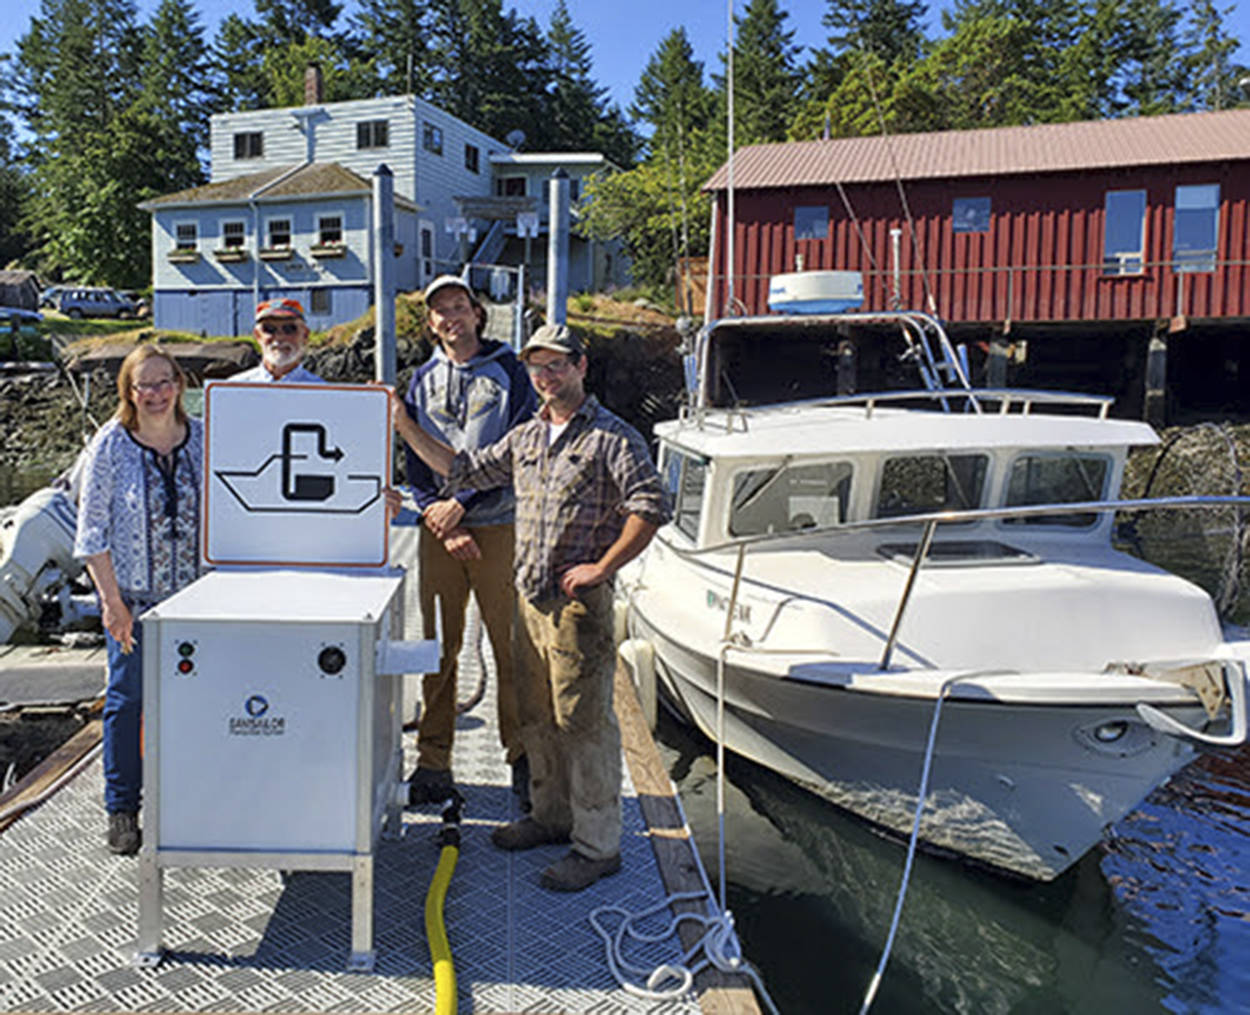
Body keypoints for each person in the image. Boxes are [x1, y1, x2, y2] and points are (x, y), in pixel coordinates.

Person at [394, 323, 670, 891]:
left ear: (581, 366)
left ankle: (597, 846)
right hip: (529, 599)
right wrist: (401, 422)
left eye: (557, 365)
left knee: (584, 724)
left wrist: (603, 567)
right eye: (537, 368)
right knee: (537, 715)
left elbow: (648, 507)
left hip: (577, 607)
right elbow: (462, 469)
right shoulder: (526, 437)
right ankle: (549, 816)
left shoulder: (614, 438)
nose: (546, 377)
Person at [401, 275, 537, 801]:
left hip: (498, 525)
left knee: (511, 648)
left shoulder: (511, 372)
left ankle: (523, 758)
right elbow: (413, 458)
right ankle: (433, 762)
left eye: (460, 306)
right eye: (440, 310)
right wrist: (434, 507)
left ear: (478, 314)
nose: (451, 317)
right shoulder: (420, 381)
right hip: (438, 528)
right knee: (439, 649)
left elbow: (518, 451)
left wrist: (462, 505)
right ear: (430, 324)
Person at [74, 345, 204, 855]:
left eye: (163, 381)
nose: (155, 393)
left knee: (194, 703)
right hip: (135, 602)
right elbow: (91, 531)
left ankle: (188, 800)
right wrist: (111, 602)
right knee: (127, 705)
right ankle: (123, 807)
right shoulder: (110, 444)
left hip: (197, 604)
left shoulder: (204, 440)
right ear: (129, 392)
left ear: (179, 383)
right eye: (143, 385)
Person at [233, 298, 325, 383]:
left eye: (289, 329)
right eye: (269, 329)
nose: (279, 337)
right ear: (258, 336)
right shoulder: (234, 387)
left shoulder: (323, 391)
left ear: (305, 335)